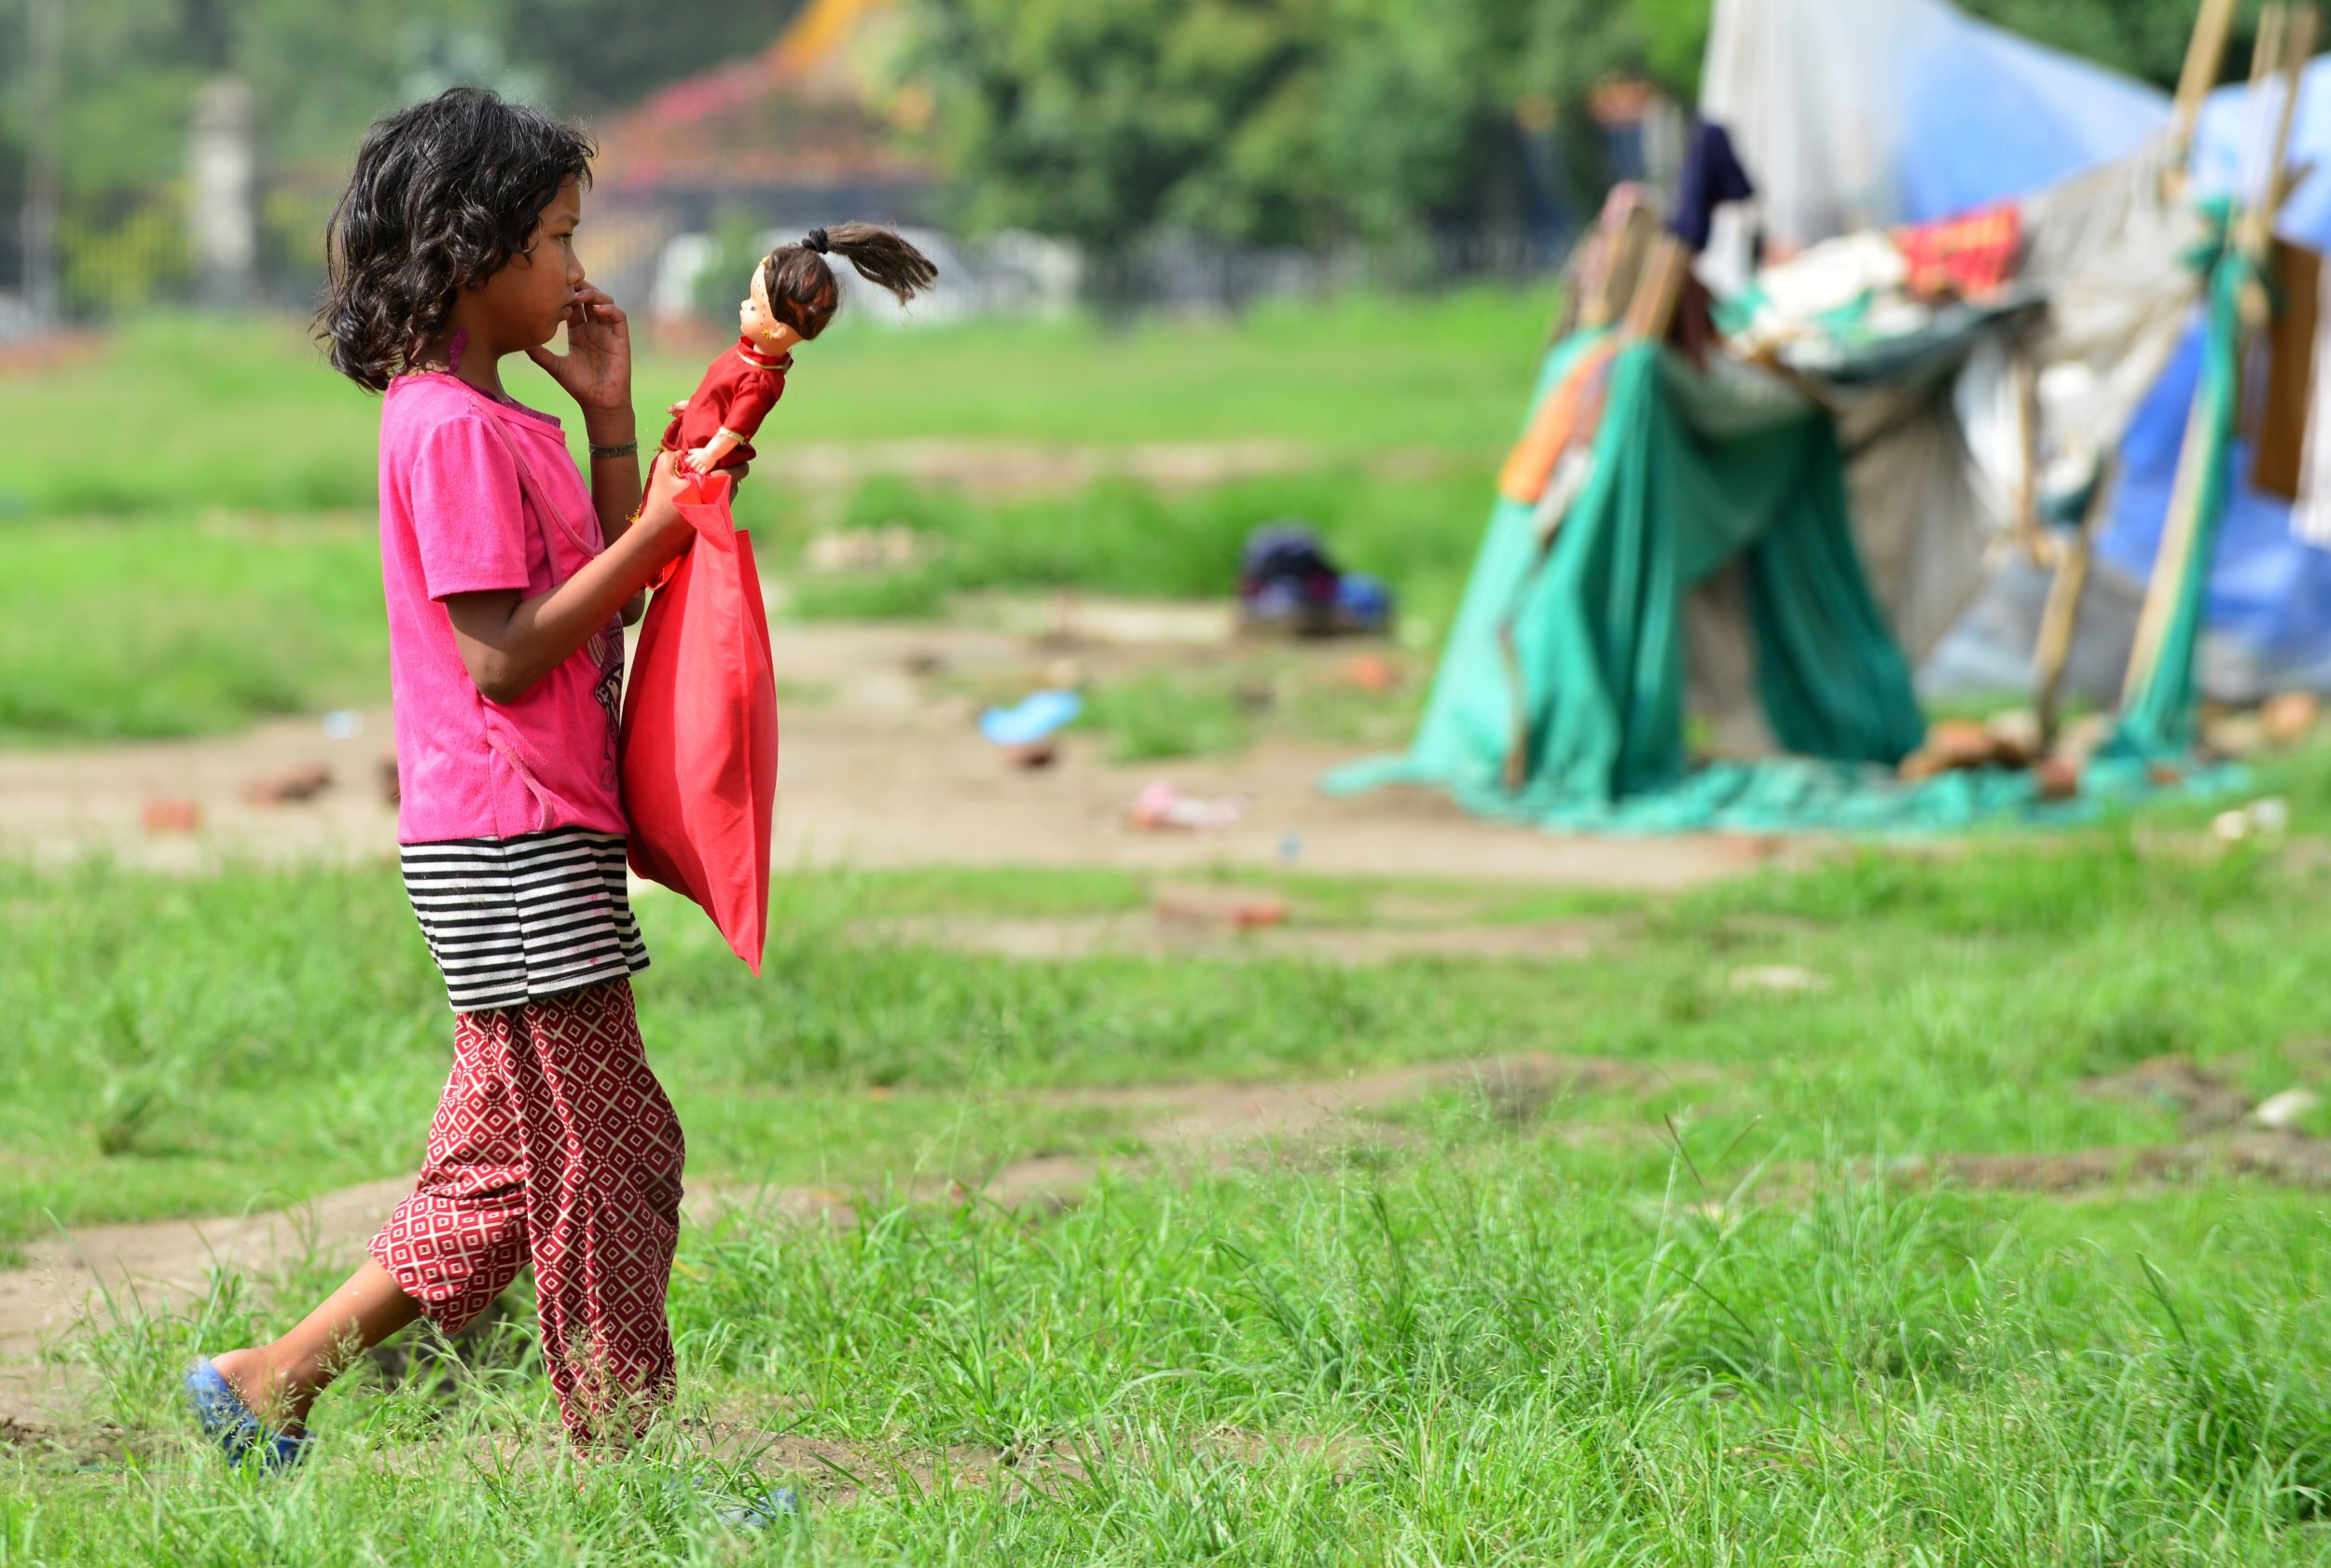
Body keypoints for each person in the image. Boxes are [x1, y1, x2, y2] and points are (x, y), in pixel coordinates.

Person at [182, 87, 705, 1468]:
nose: (578, 272)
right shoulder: (450, 428)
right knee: (613, 1158)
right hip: (514, 839)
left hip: (529, 835)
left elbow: (596, 601)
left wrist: (610, 424)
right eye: (554, 237)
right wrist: (655, 532)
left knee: (501, 1170)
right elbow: (504, 652)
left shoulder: (509, 420)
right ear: (469, 249)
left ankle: (273, 1376)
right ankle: (629, 1466)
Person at [661, 224, 937, 482]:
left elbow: (737, 426)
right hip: (695, 438)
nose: (744, 305)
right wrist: (698, 405)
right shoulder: (748, 358)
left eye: (756, 306)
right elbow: (722, 393)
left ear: (779, 330)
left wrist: (709, 455)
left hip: (700, 462)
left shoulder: (758, 381)